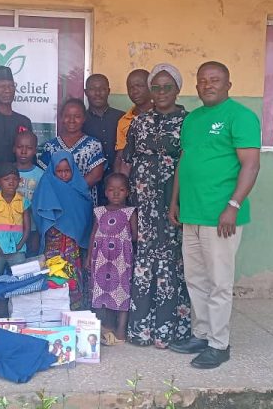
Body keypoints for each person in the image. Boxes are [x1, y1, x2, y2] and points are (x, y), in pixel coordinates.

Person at [168, 61, 261, 369]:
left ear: (228, 85)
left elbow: (251, 165)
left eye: (215, 80)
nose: (208, 85)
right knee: (195, 279)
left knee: (219, 282)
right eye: (203, 80)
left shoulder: (241, 117)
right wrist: (175, 201)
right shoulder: (193, 119)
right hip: (192, 213)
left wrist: (233, 206)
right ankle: (201, 334)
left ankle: (219, 344)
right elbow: (185, 161)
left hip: (221, 217)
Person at [123, 63, 191, 349]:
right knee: (144, 257)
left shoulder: (189, 122)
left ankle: (168, 331)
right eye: (156, 87)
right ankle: (141, 330)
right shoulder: (139, 122)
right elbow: (127, 162)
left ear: (177, 90)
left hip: (172, 201)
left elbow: (191, 162)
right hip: (142, 202)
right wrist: (125, 206)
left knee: (170, 260)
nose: (161, 92)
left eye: (167, 87)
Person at [33, 151, 93, 310]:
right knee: (53, 269)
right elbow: (39, 209)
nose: (63, 174)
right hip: (53, 239)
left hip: (72, 242)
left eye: (67, 171)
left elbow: (84, 212)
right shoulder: (47, 184)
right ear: (53, 170)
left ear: (73, 170)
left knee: (72, 268)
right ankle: (53, 306)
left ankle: (74, 305)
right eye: (59, 171)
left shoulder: (79, 187)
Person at [86, 173, 137, 344]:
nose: (116, 193)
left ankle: (121, 330)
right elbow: (93, 234)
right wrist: (88, 257)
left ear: (127, 192)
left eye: (121, 190)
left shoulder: (130, 212)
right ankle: (107, 326)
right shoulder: (99, 211)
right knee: (103, 292)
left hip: (121, 260)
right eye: (111, 189)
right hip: (100, 259)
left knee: (121, 292)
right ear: (105, 192)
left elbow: (135, 236)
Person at [0, 163, 32, 318]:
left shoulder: (23, 202)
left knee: (20, 282)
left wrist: (19, 245)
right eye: (6, 179)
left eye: (14, 179)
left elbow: (27, 228)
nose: (11, 182)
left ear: (19, 181)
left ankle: (17, 314)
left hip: (18, 249)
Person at [39, 98, 106, 205]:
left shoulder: (93, 144)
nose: (72, 120)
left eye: (77, 116)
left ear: (84, 118)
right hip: (57, 202)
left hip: (84, 203)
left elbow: (96, 175)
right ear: (61, 118)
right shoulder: (50, 146)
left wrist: (71, 191)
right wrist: (61, 192)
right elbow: (45, 176)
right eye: (67, 116)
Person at [83, 74, 125, 203]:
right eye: (92, 89)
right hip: (90, 184)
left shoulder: (122, 118)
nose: (97, 93)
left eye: (102, 89)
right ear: (86, 92)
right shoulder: (80, 120)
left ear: (109, 91)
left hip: (119, 186)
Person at [114, 69, 152, 175]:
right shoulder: (124, 120)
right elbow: (120, 156)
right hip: (133, 177)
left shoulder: (161, 116)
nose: (134, 91)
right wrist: (117, 179)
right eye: (130, 87)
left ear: (150, 87)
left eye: (139, 85)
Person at [14, 131, 44, 256]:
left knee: (32, 255)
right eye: (20, 147)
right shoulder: (8, 172)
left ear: (35, 151)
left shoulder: (41, 175)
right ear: (13, 148)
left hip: (33, 226)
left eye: (29, 148)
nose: (24, 151)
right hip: (11, 226)